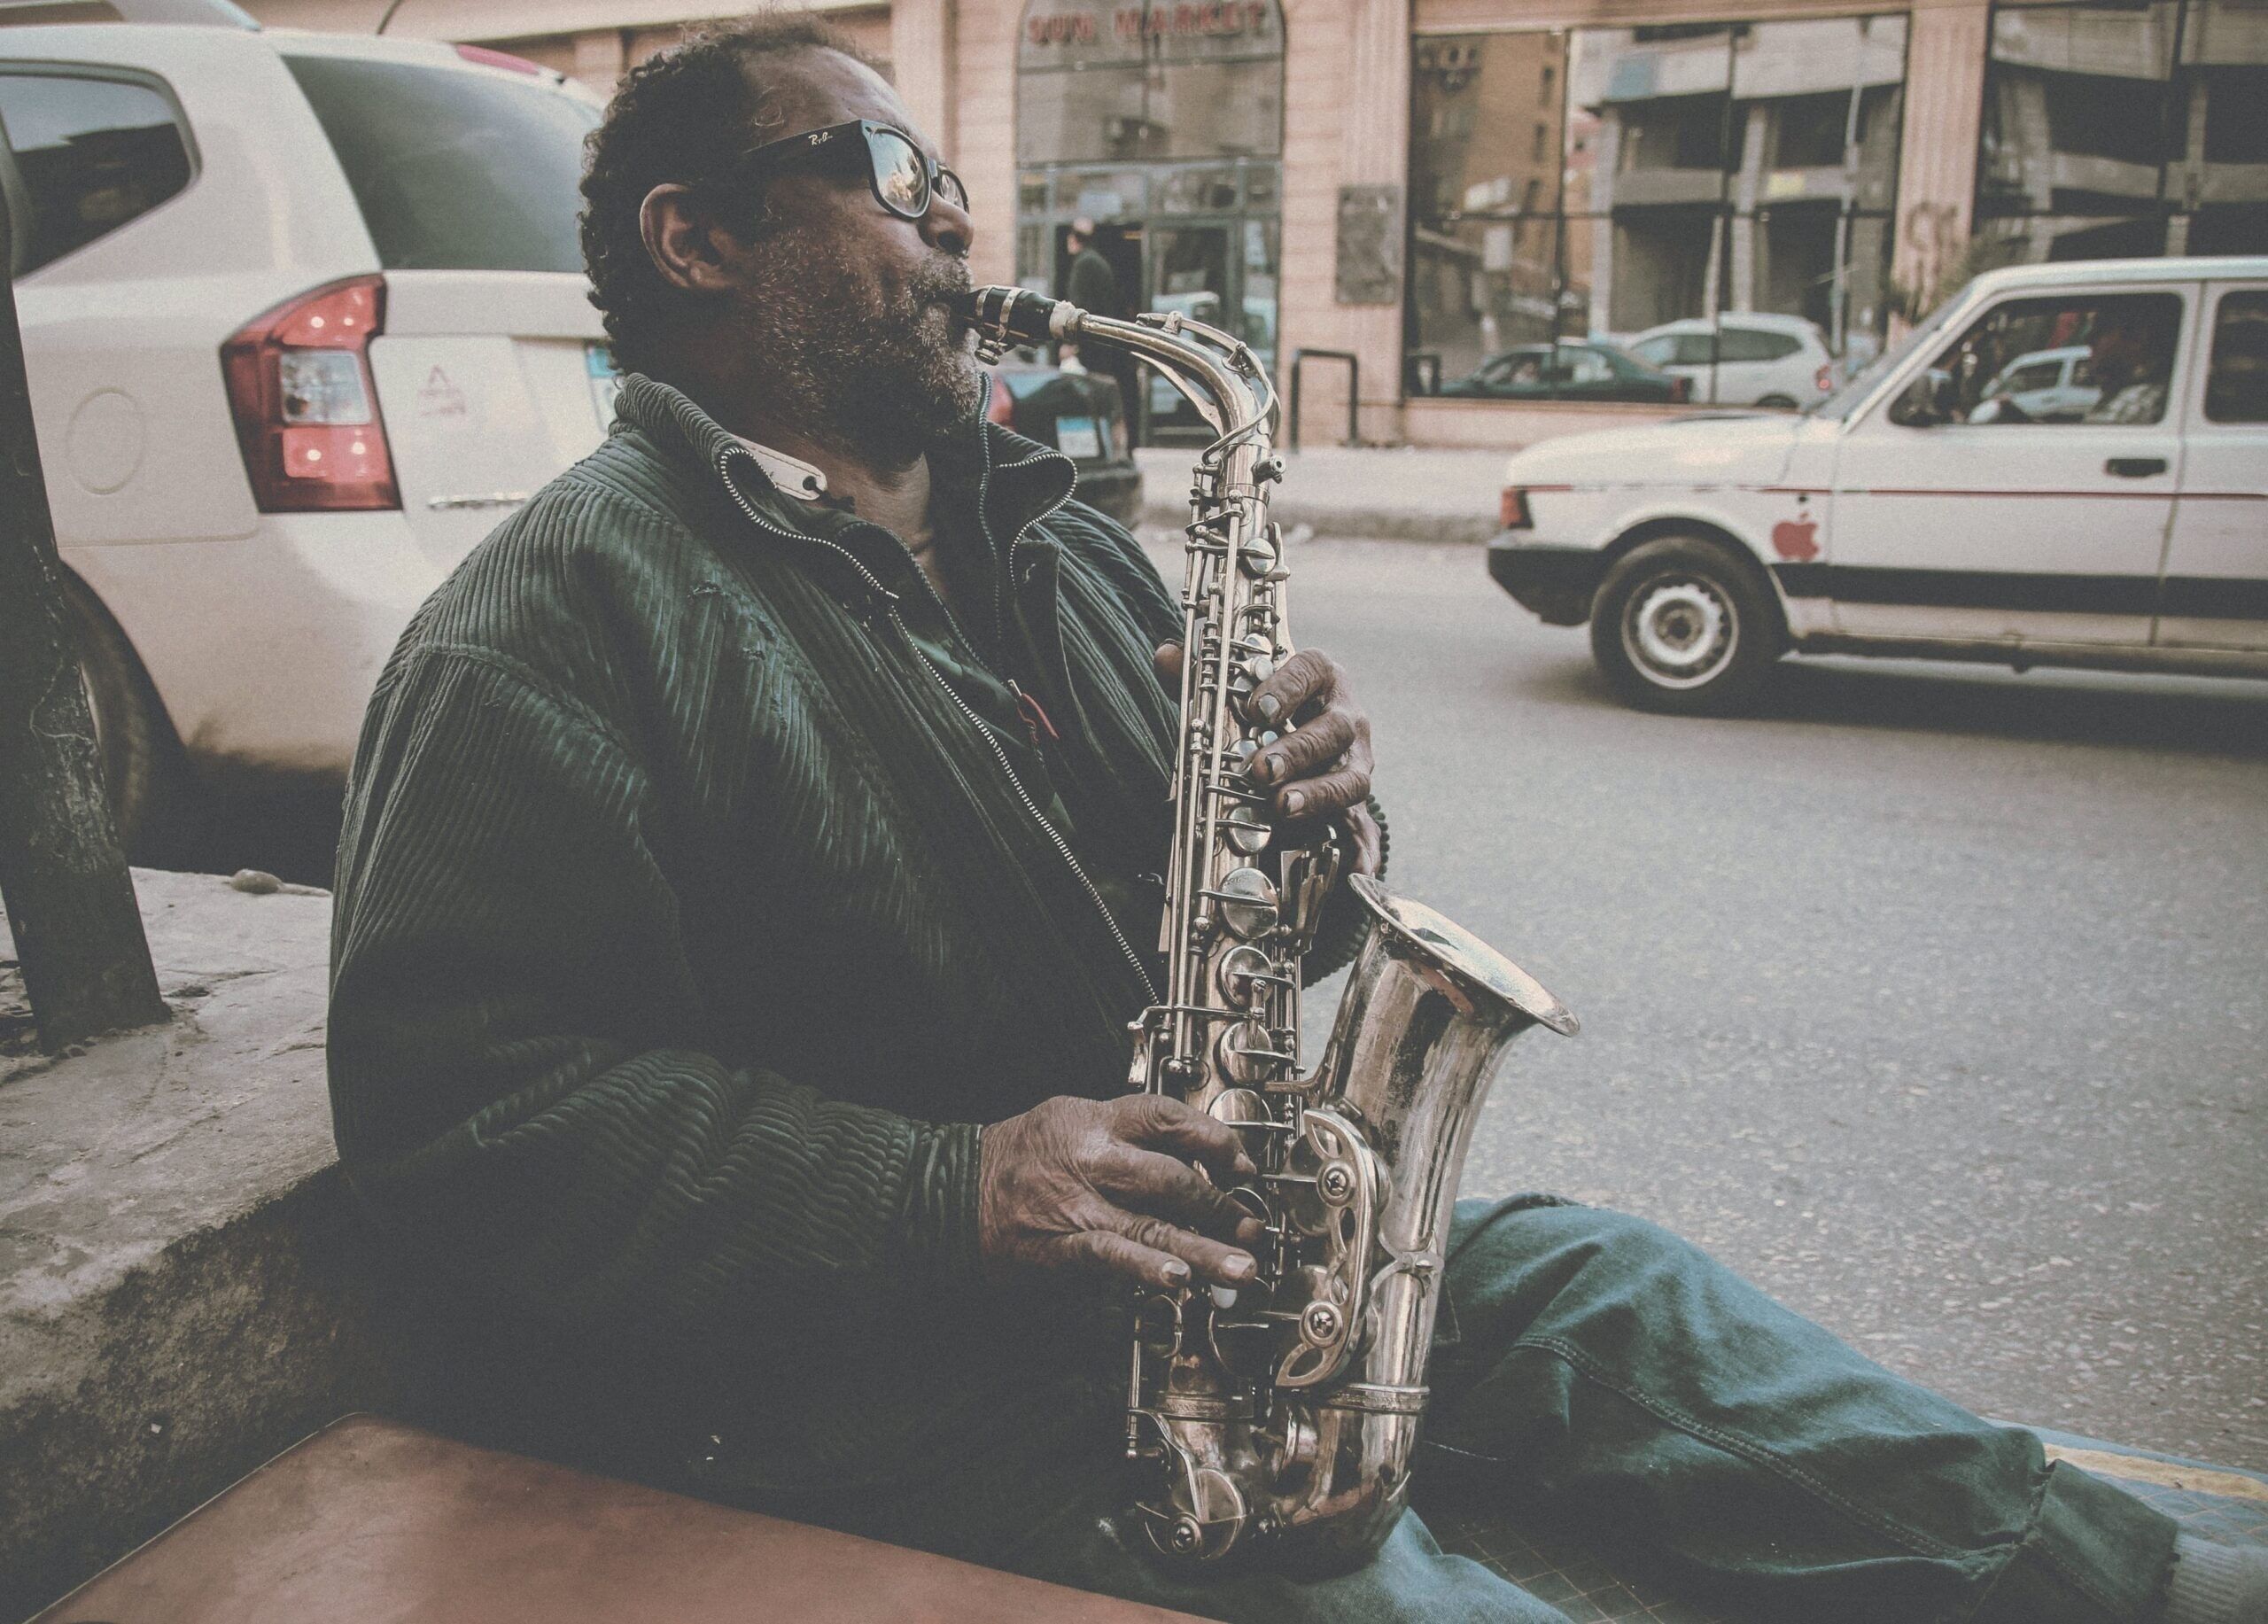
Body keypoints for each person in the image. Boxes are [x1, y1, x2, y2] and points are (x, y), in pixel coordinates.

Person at [323, 18, 2264, 1624]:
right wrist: (951, 1189)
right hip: (894, 1390)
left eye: (954, 183)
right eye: (894, 178)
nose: (957, 223)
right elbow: (461, 1116)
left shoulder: (1055, 546)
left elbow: (1257, 938)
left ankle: (2141, 1581)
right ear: (697, 239)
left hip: (1199, 1271)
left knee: (1615, 1295)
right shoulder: (548, 625)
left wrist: (1315, 835)